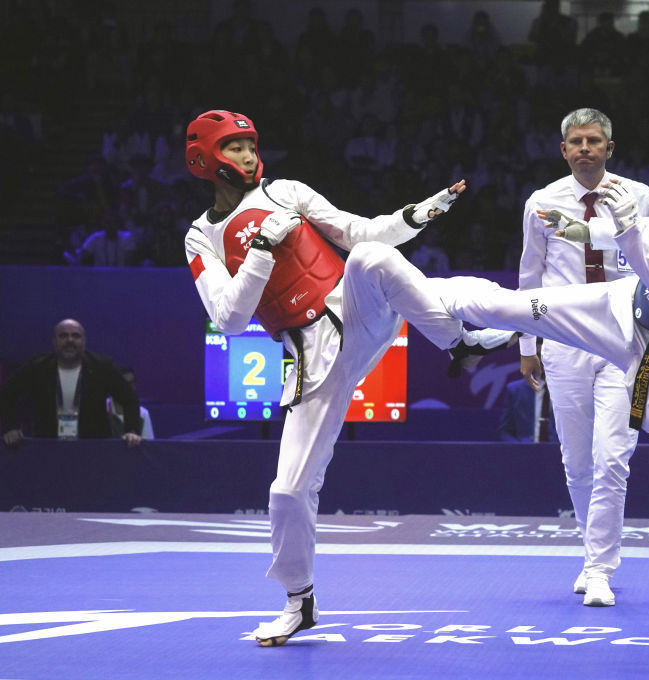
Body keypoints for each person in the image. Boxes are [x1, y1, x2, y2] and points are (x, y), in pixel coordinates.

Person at [436, 100, 649, 675]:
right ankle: (404, 288)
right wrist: (592, 230)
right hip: (621, 307)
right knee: (510, 307)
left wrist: (626, 231)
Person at [181, 110, 512, 647]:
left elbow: (359, 232)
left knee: (374, 256)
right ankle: (299, 602)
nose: (247, 156)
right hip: (312, 361)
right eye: (234, 148)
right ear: (205, 160)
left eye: (250, 145)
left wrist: (420, 212)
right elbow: (230, 318)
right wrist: (261, 251)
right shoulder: (201, 237)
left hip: (359, 311)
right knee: (288, 491)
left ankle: (461, 344)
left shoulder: (286, 191)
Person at [519, 108, 649, 607]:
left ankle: (601, 569)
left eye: (594, 141)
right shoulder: (541, 203)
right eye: (576, 141)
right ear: (564, 151)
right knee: (577, 462)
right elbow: (530, 276)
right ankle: (591, 555)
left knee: (613, 457)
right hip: (564, 342)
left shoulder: (639, 197)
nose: (585, 148)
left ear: (609, 148)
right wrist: (528, 345)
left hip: (625, 340)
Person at [0, 319, 143, 448]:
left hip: (94, 448)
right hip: (47, 447)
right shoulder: (37, 367)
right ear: (54, 341)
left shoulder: (102, 366)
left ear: (84, 341)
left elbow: (130, 399)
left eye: (76, 336)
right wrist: (10, 427)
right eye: (63, 336)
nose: (70, 340)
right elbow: (6, 395)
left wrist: (132, 431)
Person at [107, 366, 154, 439]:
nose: (130, 388)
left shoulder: (143, 414)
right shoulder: (101, 409)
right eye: (125, 384)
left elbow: (149, 444)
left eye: (132, 383)